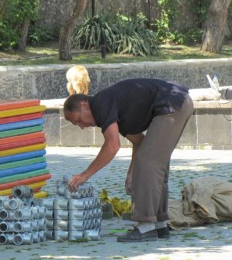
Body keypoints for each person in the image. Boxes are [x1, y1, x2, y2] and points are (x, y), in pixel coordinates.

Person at [64, 78, 193, 242]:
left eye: (77, 120)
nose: (81, 126)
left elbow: (112, 145)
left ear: (83, 105)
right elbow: (139, 141)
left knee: (148, 162)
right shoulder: (112, 108)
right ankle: (159, 224)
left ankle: (146, 226)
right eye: (77, 125)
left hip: (171, 103)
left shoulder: (100, 103)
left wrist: (85, 175)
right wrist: (131, 173)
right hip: (180, 102)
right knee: (154, 160)